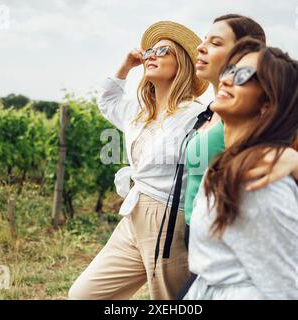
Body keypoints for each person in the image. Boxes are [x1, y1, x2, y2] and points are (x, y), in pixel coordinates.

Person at [68, 21, 209, 300]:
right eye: (150, 51)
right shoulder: (140, 111)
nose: (152, 55)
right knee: (84, 295)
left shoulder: (197, 116)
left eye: (163, 50)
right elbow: (108, 100)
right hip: (133, 215)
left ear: (181, 63)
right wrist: (126, 65)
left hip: (169, 219)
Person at [184, 37, 298, 299]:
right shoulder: (231, 164)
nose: (226, 79)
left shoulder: (261, 180)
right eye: (229, 70)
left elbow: (297, 291)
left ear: (269, 103)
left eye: (244, 74)